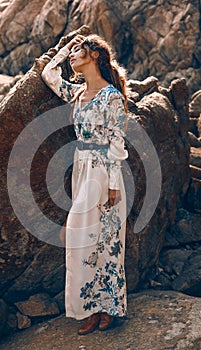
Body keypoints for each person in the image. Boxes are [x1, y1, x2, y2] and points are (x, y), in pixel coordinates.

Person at [41, 34, 129, 335]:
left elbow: (117, 139)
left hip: (104, 173)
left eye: (79, 51)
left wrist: (114, 185)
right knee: (86, 242)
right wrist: (66, 47)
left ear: (94, 56)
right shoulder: (78, 94)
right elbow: (48, 74)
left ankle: (109, 307)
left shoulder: (111, 97)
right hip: (82, 168)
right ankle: (91, 308)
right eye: (73, 53)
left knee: (106, 242)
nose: (72, 57)